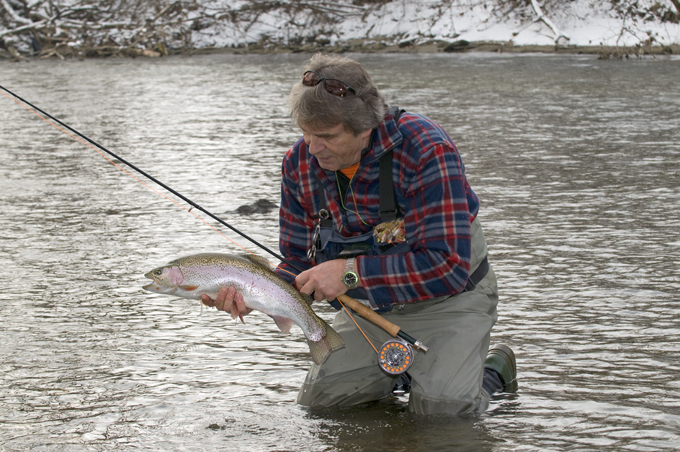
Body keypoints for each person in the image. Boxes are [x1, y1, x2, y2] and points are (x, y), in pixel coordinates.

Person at [202, 53, 517, 415]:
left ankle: (493, 371)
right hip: (367, 308)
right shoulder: (299, 163)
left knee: (442, 417)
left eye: (327, 136)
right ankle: (402, 372)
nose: (312, 147)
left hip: (451, 300)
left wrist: (348, 273)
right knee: (321, 406)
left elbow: (448, 266)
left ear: (365, 127)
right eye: (305, 133)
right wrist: (251, 292)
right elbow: (296, 259)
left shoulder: (426, 149)